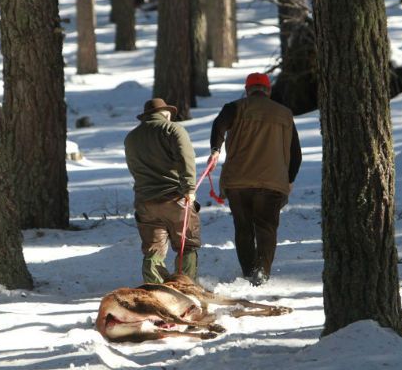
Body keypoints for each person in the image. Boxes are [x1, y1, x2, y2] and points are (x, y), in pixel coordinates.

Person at [208, 73, 302, 286]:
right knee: (266, 227)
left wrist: (215, 149)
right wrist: (289, 179)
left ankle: (249, 270)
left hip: (238, 182)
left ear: (248, 89)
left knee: (243, 228)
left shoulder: (235, 107)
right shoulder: (284, 114)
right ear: (268, 90)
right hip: (271, 183)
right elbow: (296, 154)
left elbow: (219, 125)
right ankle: (262, 270)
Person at [124, 98, 201, 284]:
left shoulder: (131, 138)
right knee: (186, 246)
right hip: (174, 199)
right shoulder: (173, 129)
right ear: (165, 114)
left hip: (145, 203)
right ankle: (186, 287)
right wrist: (189, 188)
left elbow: (134, 168)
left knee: (153, 250)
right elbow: (186, 159)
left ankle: (154, 289)